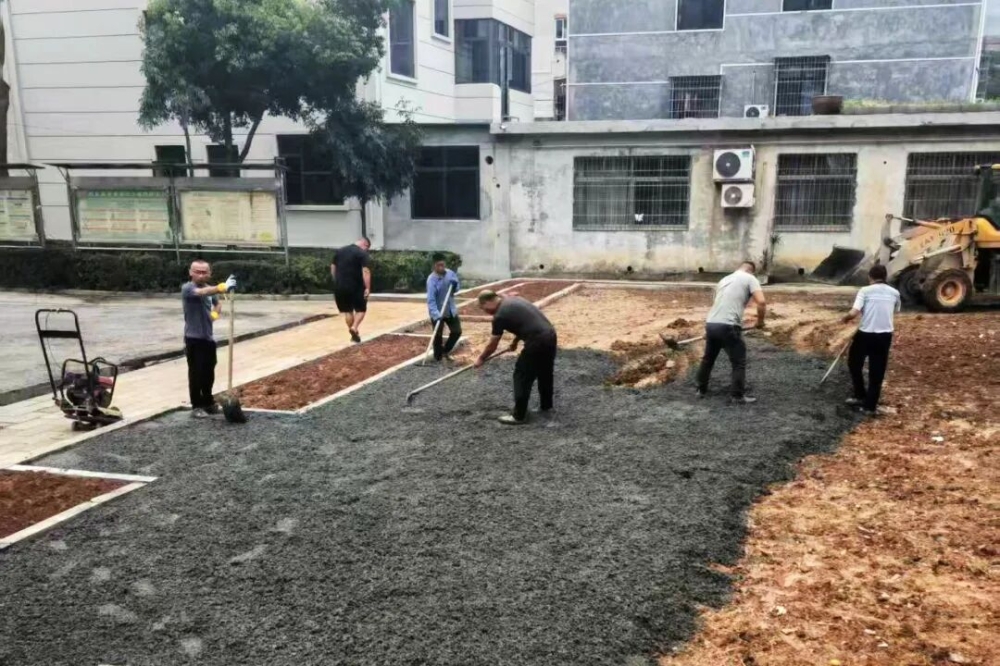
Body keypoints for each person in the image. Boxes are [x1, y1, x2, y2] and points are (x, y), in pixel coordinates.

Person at [475, 291, 558, 425]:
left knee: (521, 375)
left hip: (536, 341)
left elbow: (493, 344)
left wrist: (481, 358)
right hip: (550, 335)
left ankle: (519, 416)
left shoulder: (499, 316)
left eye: (483, 308)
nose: (486, 312)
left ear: (488, 302)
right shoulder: (512, 300)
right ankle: (546, 406)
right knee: (545, 372)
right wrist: (515, 342)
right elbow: (524, 322)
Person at [694, 261, 767, 404]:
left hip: (711, 323)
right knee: (738, 361)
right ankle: (737, 396)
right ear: (751, 270)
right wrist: (760, 322)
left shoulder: (723, 280)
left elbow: (717, 304)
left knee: (708, 359)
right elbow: (761, 302)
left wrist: (710, 330)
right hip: (728, 325)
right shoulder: (750, 278)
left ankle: (700, 390)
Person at [842, 264, 901, 416]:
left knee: (854, 363)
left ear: (870, 277)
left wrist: (845, 318)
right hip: (884, 336)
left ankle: (860, 395)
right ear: (885, 277)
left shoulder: (865, 291)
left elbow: (854, 312)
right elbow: (895, 311)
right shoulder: (895, 293)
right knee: (877, 371)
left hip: (865, 334)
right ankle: (870, 406)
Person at [182, 261, 236, 418]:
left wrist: (213, 315)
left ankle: (208, 402)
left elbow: (218, 304)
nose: (200, 275)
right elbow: (202, 292)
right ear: (190, 272)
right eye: (197, 272)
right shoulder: (188, 288)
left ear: (209, 273)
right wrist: (221, 287)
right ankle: (196, 406)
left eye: (204, 272)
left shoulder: (210, 290)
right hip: (193, 339)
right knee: (196, 374)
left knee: (208, 373)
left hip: (208, 339)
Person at [331, 237, 372, 343]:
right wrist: (367, 287)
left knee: (348, 311)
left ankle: (354, 334)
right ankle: (354, 327)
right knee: (361, 310)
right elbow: (366, 271)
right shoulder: (361, 254)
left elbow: (333, 267)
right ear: (365, 244)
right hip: (356, 286)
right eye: (367, 248)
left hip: (340, 286)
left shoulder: (340, 251)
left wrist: (336, 281)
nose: (366, 250)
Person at [426, 253, 462, 361]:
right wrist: (436, 315)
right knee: (438, 336)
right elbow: (431, 300)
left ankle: (445, 351)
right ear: (434, 265)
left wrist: (455, 285)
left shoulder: (450, 274)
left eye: (443, 265)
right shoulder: (431, 280)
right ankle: (438, 358)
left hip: (450, 310)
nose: (441, 267)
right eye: (439, 265)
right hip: (437, 311)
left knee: (457, 331)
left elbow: (456, 289)